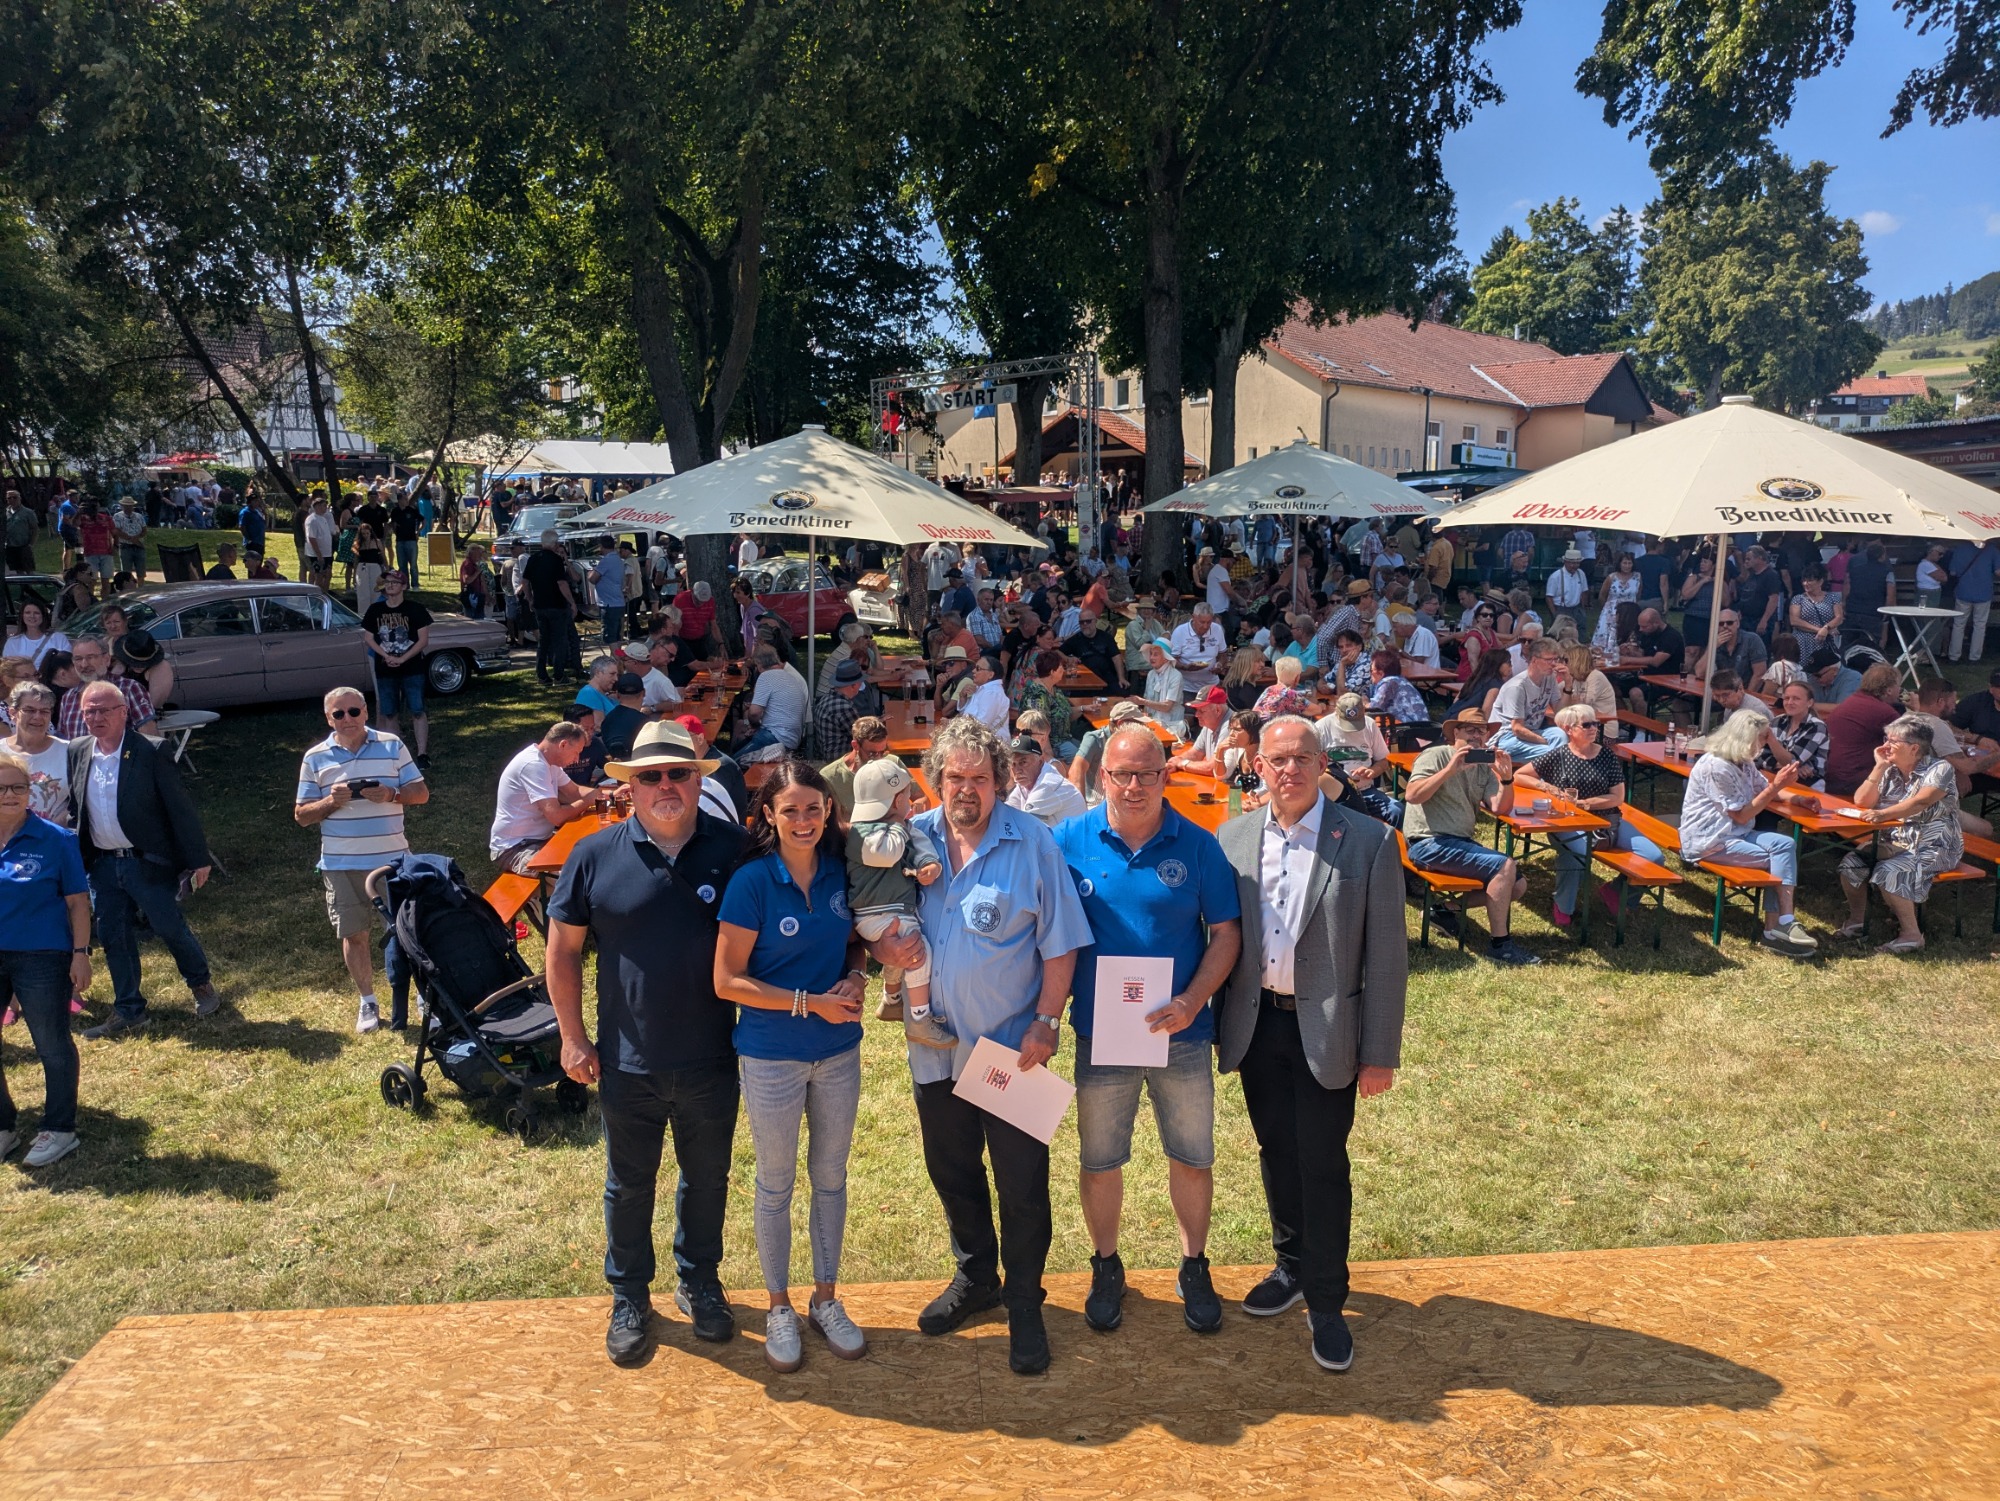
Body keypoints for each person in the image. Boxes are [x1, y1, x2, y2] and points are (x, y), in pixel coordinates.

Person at [862, 715, 1092, 1376]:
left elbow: (1062, 940)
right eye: (954, 777)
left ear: (1000, 781)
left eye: (979, 778)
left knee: (1022, 1182)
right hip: (932, 1049)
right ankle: (976, 1276)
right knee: (952, 1170)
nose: (966, 789)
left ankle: (1024, 1300)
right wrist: (882, 946)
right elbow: (873, 919)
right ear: (935, 780)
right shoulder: (909, 840)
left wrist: (1047, 1021)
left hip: (1009, 1051)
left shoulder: (1035, 844)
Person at [547, 720, 751, 1365]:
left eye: (678, 773)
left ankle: (699, 1281)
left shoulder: (736, 851)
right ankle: (630, 1296)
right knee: (629, 1184)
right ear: (629, 786)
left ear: (698, 781)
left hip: (714, 1054)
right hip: (625, 1058)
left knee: (707, 1178)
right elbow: (562, 952)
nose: (665, 785)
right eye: (650, 776)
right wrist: (573, 1038)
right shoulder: (593, 854)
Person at [1213, 715, 1405, 1372]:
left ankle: (1326, 1298)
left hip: (1330, 1031)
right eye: (1276, 760)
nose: (1288, 770)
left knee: (1322, 1160)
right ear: (1256, 766)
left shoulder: (1370, 841)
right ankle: (1290, 1264)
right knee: (1276, 1149)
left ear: (1322, 763)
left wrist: (1379, 1050)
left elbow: (1385, 958)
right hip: (1256, 1022)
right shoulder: (1233, 838)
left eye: (1301, 758)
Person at [1054, 723, 1242, 1336]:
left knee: (1191, 1156)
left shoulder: (1198, 846)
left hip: (1181, 1034)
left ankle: (1193, 1265)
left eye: (1147, 774)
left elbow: (1226, 934)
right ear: (1101, 774)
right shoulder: (1066, 842)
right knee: (1102, 1160)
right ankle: (1106, 1265)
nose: (1134, 787)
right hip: (1101, 1033)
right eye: (1121, 774)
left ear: (1166, 775)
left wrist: (1192, 1001)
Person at [712, 760, 871, 1371]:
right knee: (775, 1183)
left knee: (831, 1177)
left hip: (838, 1053)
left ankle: (825, 1298)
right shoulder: (752, 883)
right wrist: (811, 1004)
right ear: (768, 817)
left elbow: (856, 940)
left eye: (814, 808)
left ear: (829, 811)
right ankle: (779, 1305)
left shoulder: (841, 872)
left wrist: (856, 975)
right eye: (790, 811)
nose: (803, 820)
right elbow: (728, 981)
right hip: (772, 1054)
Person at [68, 682, 221, 1036]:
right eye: (89, 710)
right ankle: (129, 1010)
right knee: (114, 936)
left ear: (124, 712)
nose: (96, 717)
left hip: (145, 861)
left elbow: (178, 808)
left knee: (168, 926)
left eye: (104, 709)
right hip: (103, 864)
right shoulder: (77, 750)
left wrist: (198, 858)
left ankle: (201, 985)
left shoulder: (150, 750)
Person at [293, 687, 429, 1034]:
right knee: (355, 935)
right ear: (329, 719)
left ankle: (423, 996)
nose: (348, 719)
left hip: (394, 860)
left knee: (407, 931)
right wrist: (330, 803)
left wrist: (391, 794)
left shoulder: (392, 745)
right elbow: (302, 816)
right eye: (339, 714)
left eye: (354, 711)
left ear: (366, 712)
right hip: (341, 864)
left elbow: (421, 793)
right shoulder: (315, 758)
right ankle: (368, 1001)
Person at [0, 749, 90, 1167]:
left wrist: (80, 954)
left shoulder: (56, 840)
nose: (10, 794)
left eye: (18, 786)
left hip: (42, 957)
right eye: (0, 788)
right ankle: (3, 1126)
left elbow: (77, 902)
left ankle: (59, 1128)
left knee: (51, 1044)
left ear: (30, 791)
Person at [1676, 708, 1818, 955]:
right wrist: (1776, 787)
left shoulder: (1742, 760)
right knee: (1778, 861)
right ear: (1747, 737)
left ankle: (1782, 924)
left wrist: (1797, 799)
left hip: (1736, 833)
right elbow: (1743, 813)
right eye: (1763, 737)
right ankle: (1776, 929)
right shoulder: (1717, 767)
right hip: (1710, 840)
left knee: (1784, 845)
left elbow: (1764, 789)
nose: (1766, 742)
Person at [1404, 708, 1537, 964]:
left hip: (1457, 842)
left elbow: (1500, 808)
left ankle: (1443, 910)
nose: (1477, 735)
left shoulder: (1483, 767)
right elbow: (1412, 795)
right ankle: (1501, 945)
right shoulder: (1436, 755)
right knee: (1505, 866)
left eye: (1482, 730)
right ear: (1456, 733)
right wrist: (1451, 769)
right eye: (1470, 729)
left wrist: (1507, 779)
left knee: (1518, 885)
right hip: (1428, 842)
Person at [1516, 705, 1659, 927]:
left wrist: (1587, 804)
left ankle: (1617, 893)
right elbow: (1520, 775)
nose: (1594, 728)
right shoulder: (1559, 755)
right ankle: (1564, 905)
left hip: (1608, 820)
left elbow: (1617, 797)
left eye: (1595, 724)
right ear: (1568, 729)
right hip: (1569, 822)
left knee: (1654, 856)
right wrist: (1547, 787)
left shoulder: (1606, 756)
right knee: (1578, 855)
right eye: (1587, 724)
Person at [843, 756, 951, 1046]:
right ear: (895, 801)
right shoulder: (861, 834)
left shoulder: (902, 827)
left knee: (900, 953)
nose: (911, 802)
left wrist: (930, 865)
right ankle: (919, 1018)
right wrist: (902, 825)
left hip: (895, 911)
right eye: (906, 797)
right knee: (918, 952)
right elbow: (887, 853)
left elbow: (921, 847)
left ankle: (892, 998)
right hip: (873, 913)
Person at [1836, 716, 1963, 955]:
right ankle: (1858, 920)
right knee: (1851, 863)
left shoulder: (1939, 768)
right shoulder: (1891, 770)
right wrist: (1879, 766)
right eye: (1886, 739)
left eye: (1893, 741)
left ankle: (1912, 935)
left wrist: (1882, 814)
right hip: (1894, 842)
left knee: (1890, 871)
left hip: (1933, 846)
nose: (1885, 746)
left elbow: (1921, 801)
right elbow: (1862, 801)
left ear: (1914, 747)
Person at [488, 722, 600, 874]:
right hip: (515, 848)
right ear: (563, 744)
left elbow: (575, 791)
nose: (576, 759)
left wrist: (607, 795)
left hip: (539, 840)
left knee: (590, 855)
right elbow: (557, 817)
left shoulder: (549, 762)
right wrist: (588, 801)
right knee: (574, 875)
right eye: (576, 752)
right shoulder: (534, 765)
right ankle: (541, 896)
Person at [363, 572, 432, 768]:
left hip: (412, 668)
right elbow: (368, 638)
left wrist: (402, 658)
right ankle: (396, 754)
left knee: (417, 710)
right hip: (385, 669)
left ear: (404, 586)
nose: (390, 586)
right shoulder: (375, 610)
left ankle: (422, 754)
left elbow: (423, 640)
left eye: (395, 582)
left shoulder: (415, 609)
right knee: (389, 712)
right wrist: (386, 656)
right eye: (387, 582)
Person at [1822, 662, 1903, 798]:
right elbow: (1909, 741)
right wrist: (1919, 710)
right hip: (1851, 780)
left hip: (1829, 774)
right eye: (1898, 686)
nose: (1900, 690)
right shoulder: (1885, 712)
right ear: (1889, 690)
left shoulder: (1851, 701)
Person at [3, 683, 72, 825]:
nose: (37, 717)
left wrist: (48, 830)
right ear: (13, 713)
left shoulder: (69, 751)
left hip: (49, 838)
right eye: (29, 710)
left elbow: (80, 800)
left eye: (44, 711)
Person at [1487, 639, 1566, 763]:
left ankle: (1556, 773)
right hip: (1506, 738)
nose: (1554, 664)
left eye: (1556, 659)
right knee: (1553, 753)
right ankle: (1554, 777)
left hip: (1532, 731)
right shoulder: (1517, 686)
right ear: (1534, 660)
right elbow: (1517, 728)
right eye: (1549, 660)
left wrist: (1569, 684)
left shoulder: (1549, 678)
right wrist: (1546, 742)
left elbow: (1561, 713)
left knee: (1560, 734)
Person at [524, 529, 582, 686]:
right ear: (555, 543)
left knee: (543, 640)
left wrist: (530, 598)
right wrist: (571, 602)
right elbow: (562, 583)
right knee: (559, 640)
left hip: (540, 605)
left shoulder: (533, 559)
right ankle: (558, 675)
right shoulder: (556, 560)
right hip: (557, 605)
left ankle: (542, 675)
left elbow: (525, 581)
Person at [1069, 699, 1149, 806]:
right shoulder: (1095, 739)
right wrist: (1080, 809)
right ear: (1121, 724)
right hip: (1096, 804)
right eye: (1138, 724)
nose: (1142, 728)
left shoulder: (1135, 742)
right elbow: (1076, 770)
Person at [740, 642, 810, 758]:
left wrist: (754, 725)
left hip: (776, 738)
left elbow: (754, 713)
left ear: (759, 664)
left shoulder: (766, 676)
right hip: (793, 738)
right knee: (740, 748)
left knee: (732, 765)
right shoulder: (791, 677)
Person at [1758, 681, 1831, 789]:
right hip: (1776, 778)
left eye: (1796, 699)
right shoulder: (1778, 721)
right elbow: (1758, 757)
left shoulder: (1816, 727)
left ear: (1809, 703)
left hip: (1807, 785)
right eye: (1786, 698)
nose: (1790, 702)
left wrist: (1771, 740)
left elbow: (1791, 761)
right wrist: (1791, 767)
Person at [1005, 732, 1087, 827]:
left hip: (1073, 841)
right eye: (1013, 764)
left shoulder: (1047, 785)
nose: (1017, 770)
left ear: (1040, 761)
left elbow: (1024, 828)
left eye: (1023, 762)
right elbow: (1006, 813)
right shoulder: (1026, 782)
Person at [1617, 608, 1685, 716]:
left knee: (1635, 693)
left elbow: (1656, 661)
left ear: (1656, 623)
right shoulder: (1648, 634)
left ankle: (1642, 730)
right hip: (1645, 676)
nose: (1641, 629)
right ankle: (1622, 721)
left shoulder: (1671, 637)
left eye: (1644, 626)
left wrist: (1628, 660)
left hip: (1666, 680)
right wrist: (1631, 652)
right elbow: (1645, 654)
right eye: (1640, 626)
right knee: (1612, 686)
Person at [820, 715, 890, 819]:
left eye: (883, 752)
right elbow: (828, 821)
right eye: (872, 754)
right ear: (855, 745)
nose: (878, 759)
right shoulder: (830, 777)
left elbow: (919, 797)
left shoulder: (891, 763)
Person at [1946, 538, 1998, 663]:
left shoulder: (1960, 549)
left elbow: (1953, 572)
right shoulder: (1992, 550)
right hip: (1983, 592)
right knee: (1979, 625)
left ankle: (1954, 656)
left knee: (1958, 624)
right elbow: (1998, 571)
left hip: (1963, 591)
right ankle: (1974, 657)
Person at [1692, 611, 1768, 694]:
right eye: (1721, 624)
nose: (1725, 626)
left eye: (1729, 623)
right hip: (1723, 694)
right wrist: (1712, 647)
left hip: (1746, 692)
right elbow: (1699, 673)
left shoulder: (1752, 640)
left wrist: (1745, 698)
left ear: (1738, 623)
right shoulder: (1715, 642)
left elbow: (1759, 674)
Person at [1841, 541, 1896, 650]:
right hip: (1873, 613)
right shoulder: (1887, 571)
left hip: (1853, 609)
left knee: (1848, 644)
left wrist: (1843, 603)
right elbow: (1890, 595)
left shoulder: (1854, 568)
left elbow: (1847, 586)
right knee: (1870, 646)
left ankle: (1845, 665)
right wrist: (1887, 611)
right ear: (1882, 555)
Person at [813, 658, 869, 761]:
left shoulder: (825, 699)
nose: (861, 685)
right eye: (860, 682)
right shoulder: (845, 708)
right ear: (853, 685)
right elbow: (864, 738)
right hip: (840, 761)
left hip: (823, 757)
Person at [1170, 603, 1226, 694]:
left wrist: (1220, 665)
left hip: (1211, 685)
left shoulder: (1217, 629)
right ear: (1193, 617)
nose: (1205, 626)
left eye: (1209, 622)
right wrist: (1185, 667)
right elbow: (1172, 660)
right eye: (1202, 622)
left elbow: (1223, 654)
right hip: (1186, 687)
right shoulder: (1180, 632)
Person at [1788, 563, 1843, 652]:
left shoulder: (1833, 597)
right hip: (1804, 643)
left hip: (1826, 642)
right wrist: (1820, 631)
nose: (1805, 584)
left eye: (1809, 581)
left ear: (1820, 581)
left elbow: (1839, 617)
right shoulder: (1798, 599)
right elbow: (1794, 621)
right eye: (1804, 581)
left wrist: (1826, 628)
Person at [1735, 546, 1785, 642]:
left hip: (1758, 621)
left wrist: (1764, 621)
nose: (1746, 561)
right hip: (1746, 620)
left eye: (1749, 559)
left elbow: (1773, 599)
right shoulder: (1752, 575)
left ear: (1760, 558)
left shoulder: (1770, 575)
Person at [3, 601, 68, 671]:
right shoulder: (13, 642)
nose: (32, 616)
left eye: (36, 613)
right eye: (28, 613)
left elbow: (67, 665)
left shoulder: (59, 638)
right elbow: (7, 669)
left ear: (43, 616)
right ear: (22, 616)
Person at [589, 537, 627, 647]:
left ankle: (616, 660)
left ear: (601, 546)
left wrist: (590, 572)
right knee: (617, 636)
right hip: (618, 602)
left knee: (610, 638)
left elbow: (593, 579)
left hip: (609, 604)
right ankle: (618, 661)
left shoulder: (606, 561)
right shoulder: (618, 560)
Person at [959, 653, 1011, 734]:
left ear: (990, 675)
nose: (973, 671)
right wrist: (963, 698)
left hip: (991, 744)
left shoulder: (993, 693)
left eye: (978, 668)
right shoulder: (983, 689)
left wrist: (954, 724)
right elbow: (967, 714)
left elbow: (981, 725)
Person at [1544, 548, 1589, 630]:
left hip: (1577, 609)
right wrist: (1555, 614)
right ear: (1565, 562)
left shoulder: (1581, 574)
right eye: (1572, 563)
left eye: (1577, 563)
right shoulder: (1555, 576)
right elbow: (1549, 597)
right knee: (1562, 634)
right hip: (1562, 609)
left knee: (1580, 632)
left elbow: (1584, 591)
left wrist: (1582, 609)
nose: (1575, 566)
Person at [111, 497, 147, 578]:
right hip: (125, 546)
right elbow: (116, 531)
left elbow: (144, 530)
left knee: (141, 572)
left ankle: (141, 588)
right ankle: (128, 588)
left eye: (130, 505)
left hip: (139, 546)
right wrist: (130, 539)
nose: (128, 507)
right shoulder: (117, 516)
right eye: (126, 505)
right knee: (126, 572)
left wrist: (137, 537)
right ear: (122, 506)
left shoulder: (139, 516)